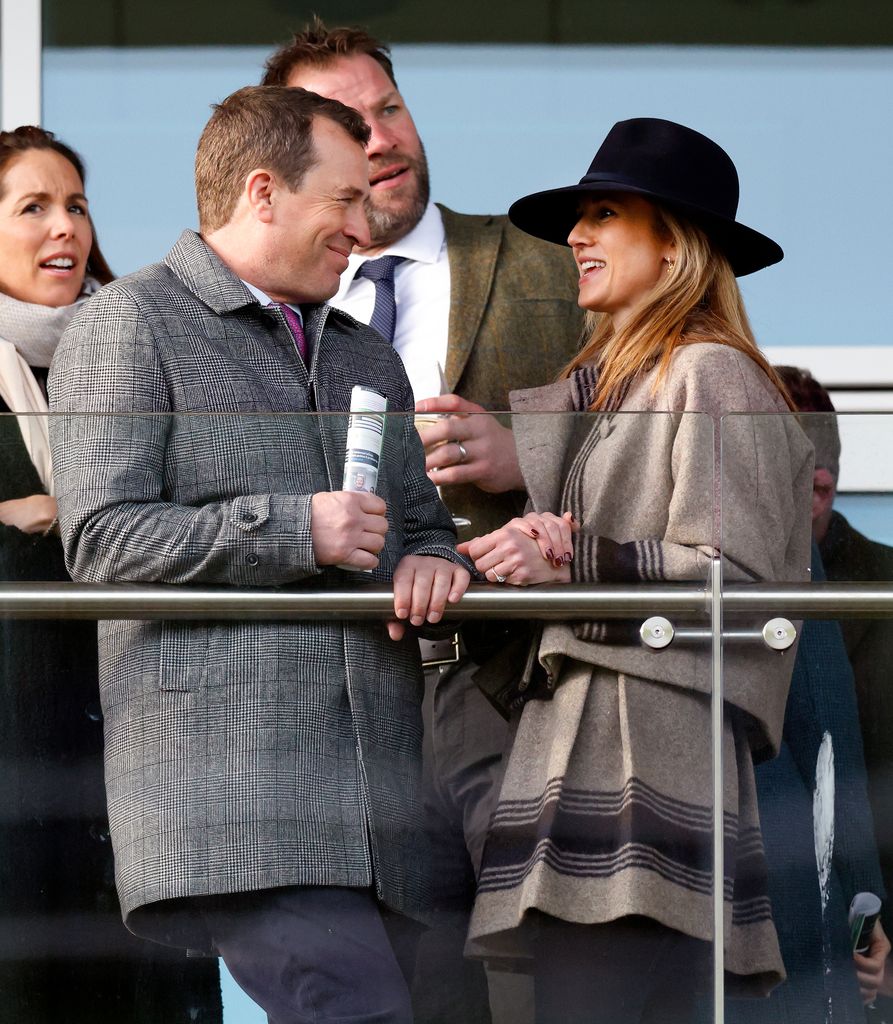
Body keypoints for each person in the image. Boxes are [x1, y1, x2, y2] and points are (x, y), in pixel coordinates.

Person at [48, 86, 470, 1024]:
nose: (363, 227)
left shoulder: (366, 356)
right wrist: (294, 530)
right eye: (344, 200)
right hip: (236, 798)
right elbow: (102, 541)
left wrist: (435, 560)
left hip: (386, 813)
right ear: (264, 191)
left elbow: (422, 527)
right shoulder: (128, 322)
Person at [263, 21, 584, 1021]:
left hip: (527, 686)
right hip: (347, 697)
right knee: (391, 991)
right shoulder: (264, 306)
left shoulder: (548, 260)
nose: (381, 139)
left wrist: (528, 453)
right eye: (345, 123)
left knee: (549, 982)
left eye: (389, 107)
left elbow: (658, 431)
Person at [459, 118, 814, 1023]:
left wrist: (571, 561)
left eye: (605, 214)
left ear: (674, 247)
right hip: (605, 744)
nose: (576, 236)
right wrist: (543, 548)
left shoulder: (709, 371)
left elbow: (743, 585)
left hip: (644, 754)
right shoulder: (631, 388)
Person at [0, 125, 222, 1023]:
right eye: (34, 207)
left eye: (77, 205)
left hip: (141, 734)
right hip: (17, 745)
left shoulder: (144, 351)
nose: (66, 227)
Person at [775, 364, 893, 1011]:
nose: (810, 491)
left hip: (873, 900)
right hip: (774, 901)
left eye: (818, 478)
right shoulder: (711, 590)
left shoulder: (884, 584)